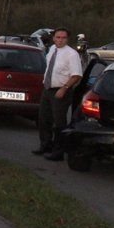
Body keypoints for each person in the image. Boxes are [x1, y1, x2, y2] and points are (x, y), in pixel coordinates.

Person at [36, 28, 83, 161]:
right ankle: (45, 145)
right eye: (58, 37)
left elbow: (76, 75)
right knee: (44, 119)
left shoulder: (72, 54)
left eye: (63, 38)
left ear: (67, 39)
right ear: (53, 38)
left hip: (61, 91)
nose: (60, 40)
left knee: (59, 122)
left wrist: (64, 88)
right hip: (47, 89)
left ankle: (58, 152)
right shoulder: (52, 50)